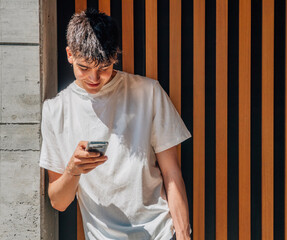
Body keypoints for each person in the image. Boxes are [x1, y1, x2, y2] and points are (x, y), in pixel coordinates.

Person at [39, 9, 191, 240]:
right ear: (69, 54)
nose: (94, 78)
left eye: (103, 68)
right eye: (84, 68)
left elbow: (171, 172)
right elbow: (58, 202)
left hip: (161, 232)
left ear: (115, 57)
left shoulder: (148, 92)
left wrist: (183, 234)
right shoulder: (55, 111)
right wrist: (73, 170)